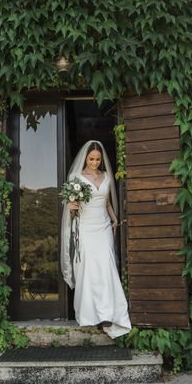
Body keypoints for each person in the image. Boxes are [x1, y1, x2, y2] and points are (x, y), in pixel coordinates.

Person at [60, 140, 132, 338]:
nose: (94, 163)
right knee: (89, 268)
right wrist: (70, 205)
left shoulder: (107, 176)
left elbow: (107, 203)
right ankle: (89, 314)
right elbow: (70, 204)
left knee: (106, 265)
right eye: (91, 159)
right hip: (85, 227)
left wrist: (115, 219)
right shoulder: (76, 177)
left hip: (103, 227)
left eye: (98, 159)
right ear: (86, 158)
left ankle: (108, 313)